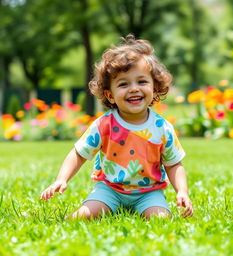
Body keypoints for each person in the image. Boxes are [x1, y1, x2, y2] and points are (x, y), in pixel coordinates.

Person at [40, 34, 193, 220]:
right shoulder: (104, 125)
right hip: (109, 190)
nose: (134, 88)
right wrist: (61, 179)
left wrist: (182, 191)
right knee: (81, 218)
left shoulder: (162, 128)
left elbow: (174, 164)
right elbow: (78, 153)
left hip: (149, 193)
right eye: (123, 84)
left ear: (155, 88)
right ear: (110, 95)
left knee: (161, 219)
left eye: (142, 81)